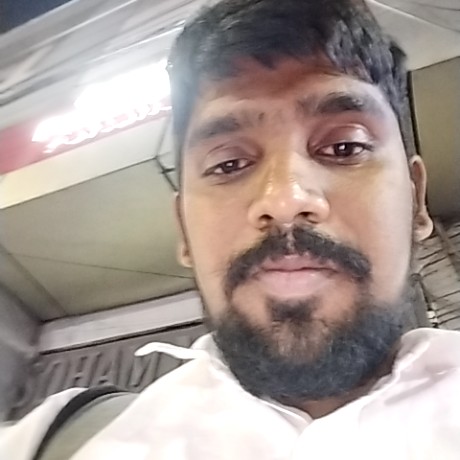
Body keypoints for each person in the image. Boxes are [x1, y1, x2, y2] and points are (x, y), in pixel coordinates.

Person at [2, 0, 460, 458]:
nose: (285, 200)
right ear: (183, 229)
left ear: (416, 200)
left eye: (345, 147)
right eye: (229, 164)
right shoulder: (54, 442)